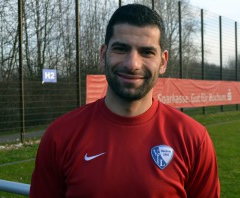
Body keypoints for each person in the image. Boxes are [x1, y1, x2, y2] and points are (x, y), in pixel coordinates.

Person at [30, 4, 220, 198]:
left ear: (163, 62)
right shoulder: (60, 136)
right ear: (103, 55)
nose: (132, 64)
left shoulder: (193, 139)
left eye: (146, 52)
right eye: (121, 49)